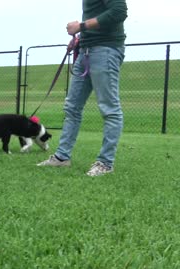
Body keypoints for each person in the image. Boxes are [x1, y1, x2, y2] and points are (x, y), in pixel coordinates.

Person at [37, 0, 128, 176]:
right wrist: (80, 39)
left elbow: (119, 12)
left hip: (105, 50)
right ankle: (62, 158)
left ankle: (105, 163)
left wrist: (82, 25)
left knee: (110, 109)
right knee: (72, 107)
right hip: (86, 50)